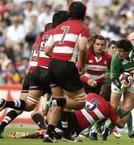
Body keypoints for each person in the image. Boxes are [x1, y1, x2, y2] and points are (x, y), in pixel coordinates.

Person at [0, 10, 69, 137]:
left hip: (31, 74)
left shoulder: (39, 40)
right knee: (61, 97)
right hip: (43, 72)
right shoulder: (56, 36)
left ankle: (2, 125)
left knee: (24, 106)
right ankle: (60, 129)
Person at [44, 1, 89, 142]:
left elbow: (47, 50)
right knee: (81, 102)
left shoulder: (58, 27)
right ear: (83, 14)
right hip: (66, 65)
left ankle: (49, 133)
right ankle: (53, 103)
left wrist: (57, 60)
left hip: (52, 65)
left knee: (60, 101)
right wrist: (81, 62)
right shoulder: (82, 27)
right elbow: (82, 48)